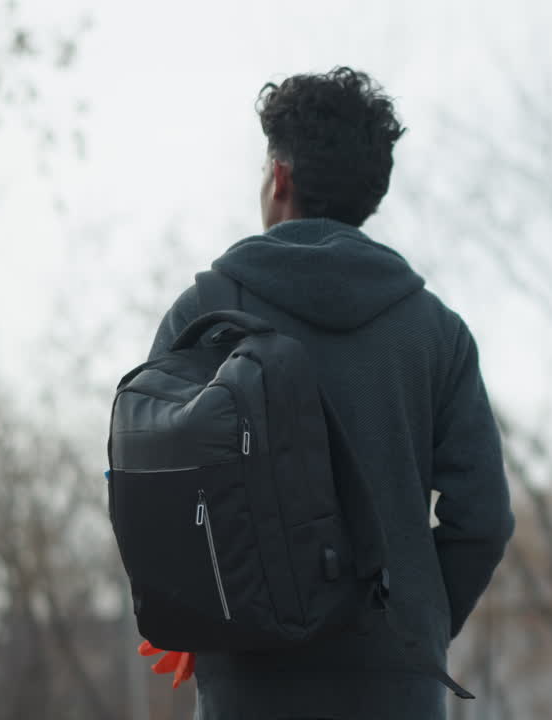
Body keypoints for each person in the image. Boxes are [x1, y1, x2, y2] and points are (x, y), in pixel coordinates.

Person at [148, 66, 514, 720]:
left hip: (246, 682)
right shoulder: (438, 332)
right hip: (399, 684)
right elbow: (482, 518)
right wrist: (415, 624)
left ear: (280, 177)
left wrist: (199, 622)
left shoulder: (203, 314)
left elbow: (157, 497)